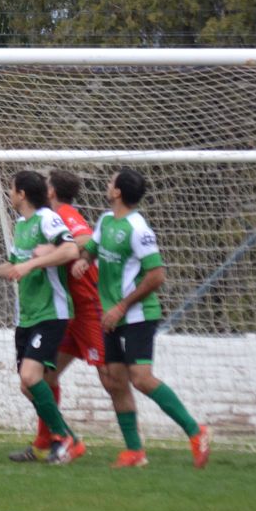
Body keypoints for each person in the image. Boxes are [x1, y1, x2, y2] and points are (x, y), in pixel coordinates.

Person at [79, 168, 211, 468]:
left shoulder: (139, 229)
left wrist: (122, 306)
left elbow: (157, 275)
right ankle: (134, 451)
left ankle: (195, 430)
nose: (107, 183)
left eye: (111, 181)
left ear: (118, 193)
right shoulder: (105, 221)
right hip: (111, 314)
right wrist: (84, 261)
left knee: (141, 378)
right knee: (115, 380)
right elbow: (91, 247)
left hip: (136, 314)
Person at [8, 171, 132, 465]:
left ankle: (134, 448)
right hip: (64, 311)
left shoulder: (62, 213)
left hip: (88, 309)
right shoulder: (40, 220)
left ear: (50, 191)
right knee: (39, 379)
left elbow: (86, 238)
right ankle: (50, 441)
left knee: (112, 378)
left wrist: (52, 250)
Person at [0, 171, 86, 465]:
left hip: (51, 313)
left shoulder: (46, 218)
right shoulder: (23, 226)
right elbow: (15, 266)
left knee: (30, 377)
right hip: (26, 316)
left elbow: (70, 248)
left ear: (22, 194)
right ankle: (69, 438)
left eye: (11, 190)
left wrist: (33, 264)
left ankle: (63, 439)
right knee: (28, 386)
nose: (10, 195)